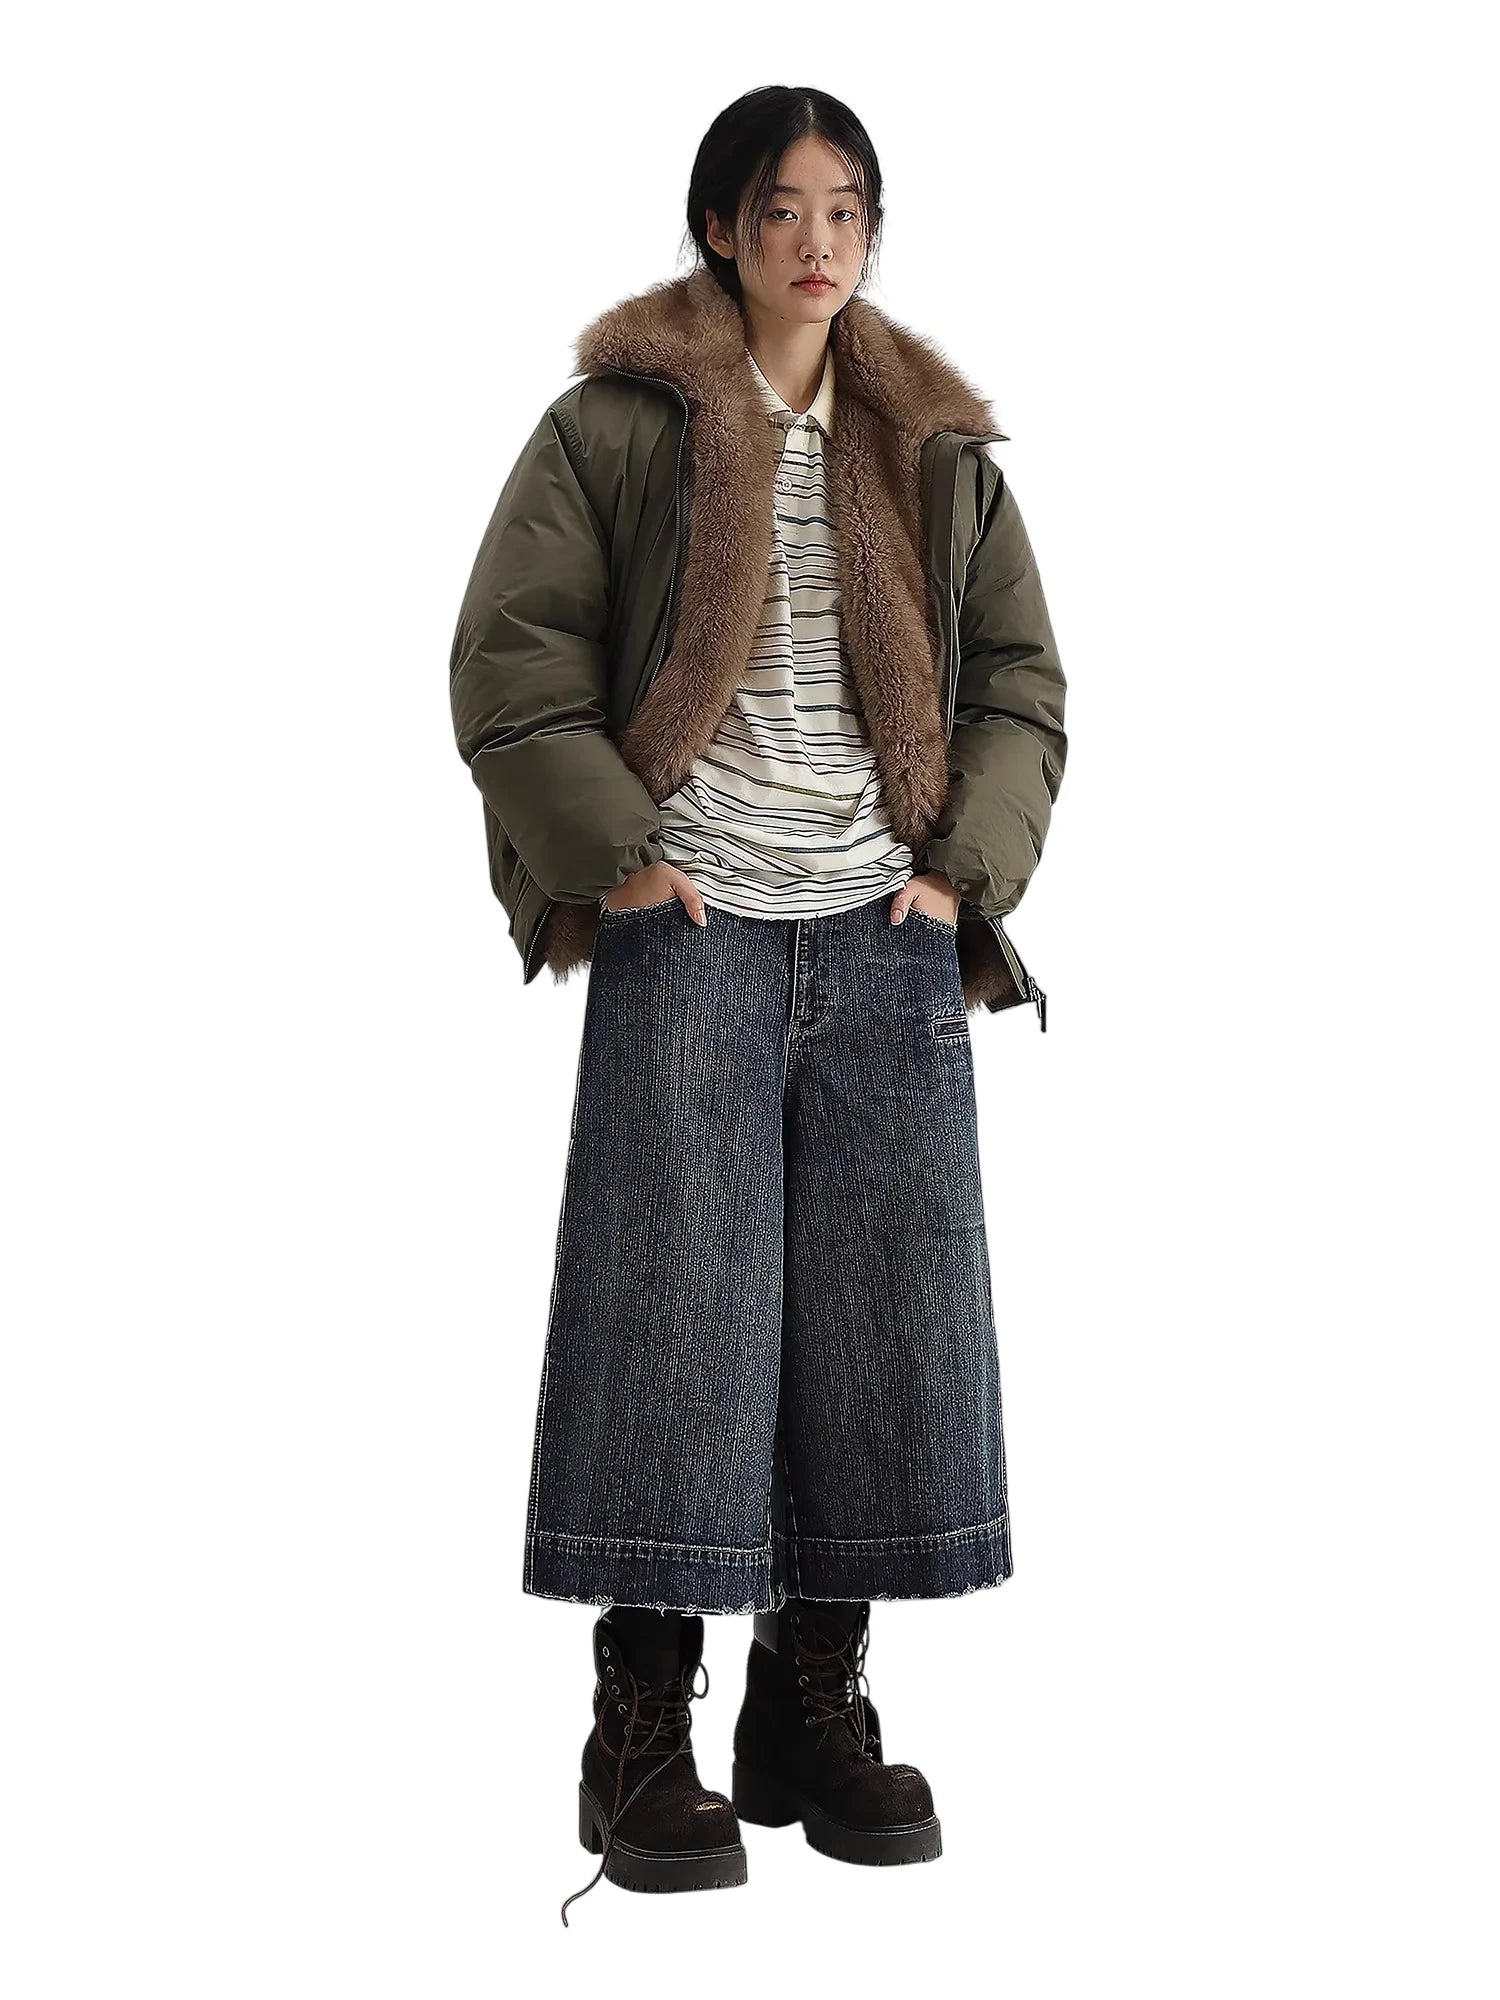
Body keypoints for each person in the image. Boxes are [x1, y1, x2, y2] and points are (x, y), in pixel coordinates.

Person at [448, 85, 1067, 1923]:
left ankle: (812, 1706)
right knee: (676, 1319)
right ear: (720, 224)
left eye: (846, 208)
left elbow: (1022, 683)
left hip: (883, 932)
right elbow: (510, 662)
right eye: (782, 207)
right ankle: (640, 1730)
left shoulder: (936, 449)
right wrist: (621, 858)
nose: (817, 240)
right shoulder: (618, 424)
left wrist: (959, 874)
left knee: (879, 1327)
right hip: (693, 926)